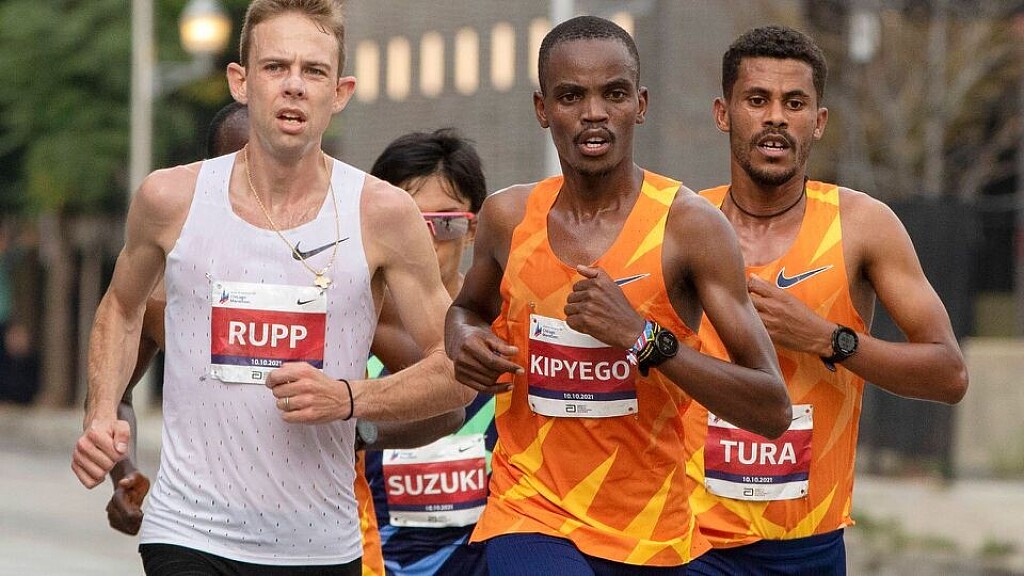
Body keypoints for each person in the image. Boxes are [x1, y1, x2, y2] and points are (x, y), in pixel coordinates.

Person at [72, 1, 474, 574]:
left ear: (340, 92)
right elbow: (121, 308)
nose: (294, 86)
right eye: (275, 67)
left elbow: (456, 370)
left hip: (321, 543)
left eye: (314, 71)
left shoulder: (381, 213)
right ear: (240, 81)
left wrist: (350, 398)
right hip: (187, 532)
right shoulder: (170, 198)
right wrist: (99, 415)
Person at [444, 15, 790, 575]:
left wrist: (642, 339)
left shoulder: (689, 228)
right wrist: (464, 341)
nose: (594, 113)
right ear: (542, 109)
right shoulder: (508, 217)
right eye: (571, 96)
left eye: (614, 93)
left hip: (650, 530)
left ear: (641, 104)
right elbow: (467, 311)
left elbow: (771, 407)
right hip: (529, 508)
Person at [684, 25, 969, 575]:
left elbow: (948, 374)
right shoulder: (681, 224)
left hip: (807, 545)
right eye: (757, 100)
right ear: (723, 114)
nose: (775, 117)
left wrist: (829, 339)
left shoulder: (862, 226)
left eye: (794, 103)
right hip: (689, 540)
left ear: (818, 122)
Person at [104, 101, 252, 537]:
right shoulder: (165, 292)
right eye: (240, 168)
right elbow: (114, 391)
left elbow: (428, 379)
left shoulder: (336, 274)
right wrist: (125, 472)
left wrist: (358, 420)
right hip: (193, 527)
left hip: (313, 530)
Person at [359, 129, 494, 576]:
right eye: (410, 222)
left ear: (473, 230)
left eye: (447, 222)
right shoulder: (347, 332)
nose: (427, 239)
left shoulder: (508, 329)